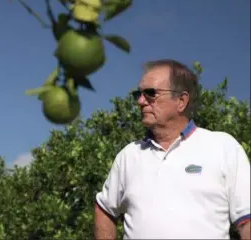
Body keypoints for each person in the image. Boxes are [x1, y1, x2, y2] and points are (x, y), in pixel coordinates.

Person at [94, 59, 250, 239]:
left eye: (150, 93)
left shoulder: (223, 147)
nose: (140, 101)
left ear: (181, 101)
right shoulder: (129, 155)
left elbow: (247, 221)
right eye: (139, 93)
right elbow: (104, 208)